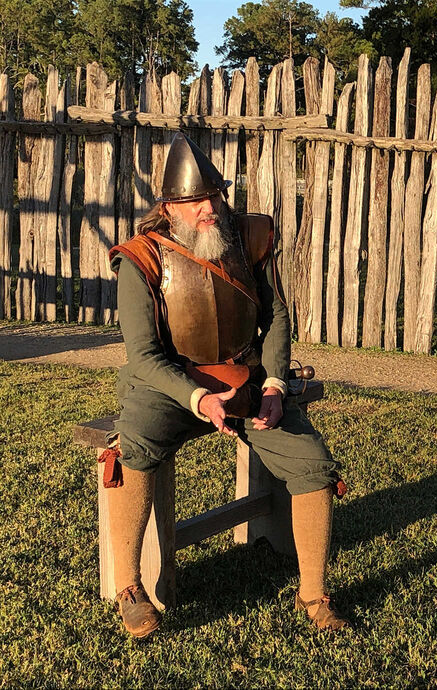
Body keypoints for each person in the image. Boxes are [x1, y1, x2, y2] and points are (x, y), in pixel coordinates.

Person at [105, 132, 348, 638]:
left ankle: (315, 593)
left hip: (246, 377)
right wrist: (197, 397)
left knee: (313, 464)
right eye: (195, 202)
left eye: (214, 197)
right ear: (170, 206)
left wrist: (276, 386)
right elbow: (144, 357)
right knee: (137, 441)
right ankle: (129, 586)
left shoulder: (248, 236)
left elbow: (276, 315)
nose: (209, 209)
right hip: (169, 385)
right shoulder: (140, 258)